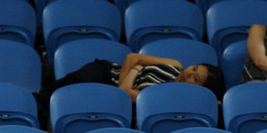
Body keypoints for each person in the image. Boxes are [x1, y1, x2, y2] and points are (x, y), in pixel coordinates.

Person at [42, 52, 226, 103]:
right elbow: (132, 57)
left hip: (113, 95)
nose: (190, 72)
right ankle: (40, 100)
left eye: (196, 78)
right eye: (194, 68)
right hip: (108, 72)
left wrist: (135, 70)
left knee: (82, 99)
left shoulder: (167, 97)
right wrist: (126, 82)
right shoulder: (174, 64)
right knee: (82, 78)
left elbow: (124, 93)